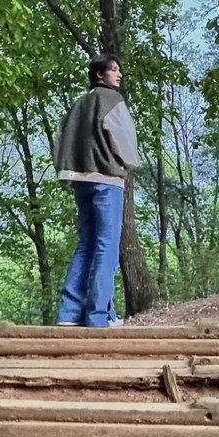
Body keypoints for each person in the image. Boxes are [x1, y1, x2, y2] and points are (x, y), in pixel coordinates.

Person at [54, 54, 139, 327]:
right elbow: (125, 140)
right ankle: (98, 317)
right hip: (107, 181)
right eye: (113, 70)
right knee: (107, 247)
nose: (119, 74)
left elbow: (63, 138)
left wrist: (70, 173)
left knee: (87, 244)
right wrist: (127, 165)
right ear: (99, 75)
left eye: (118, 70)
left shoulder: (79, 104)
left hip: (82, 182)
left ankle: (68, 314)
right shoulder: (111, 100)